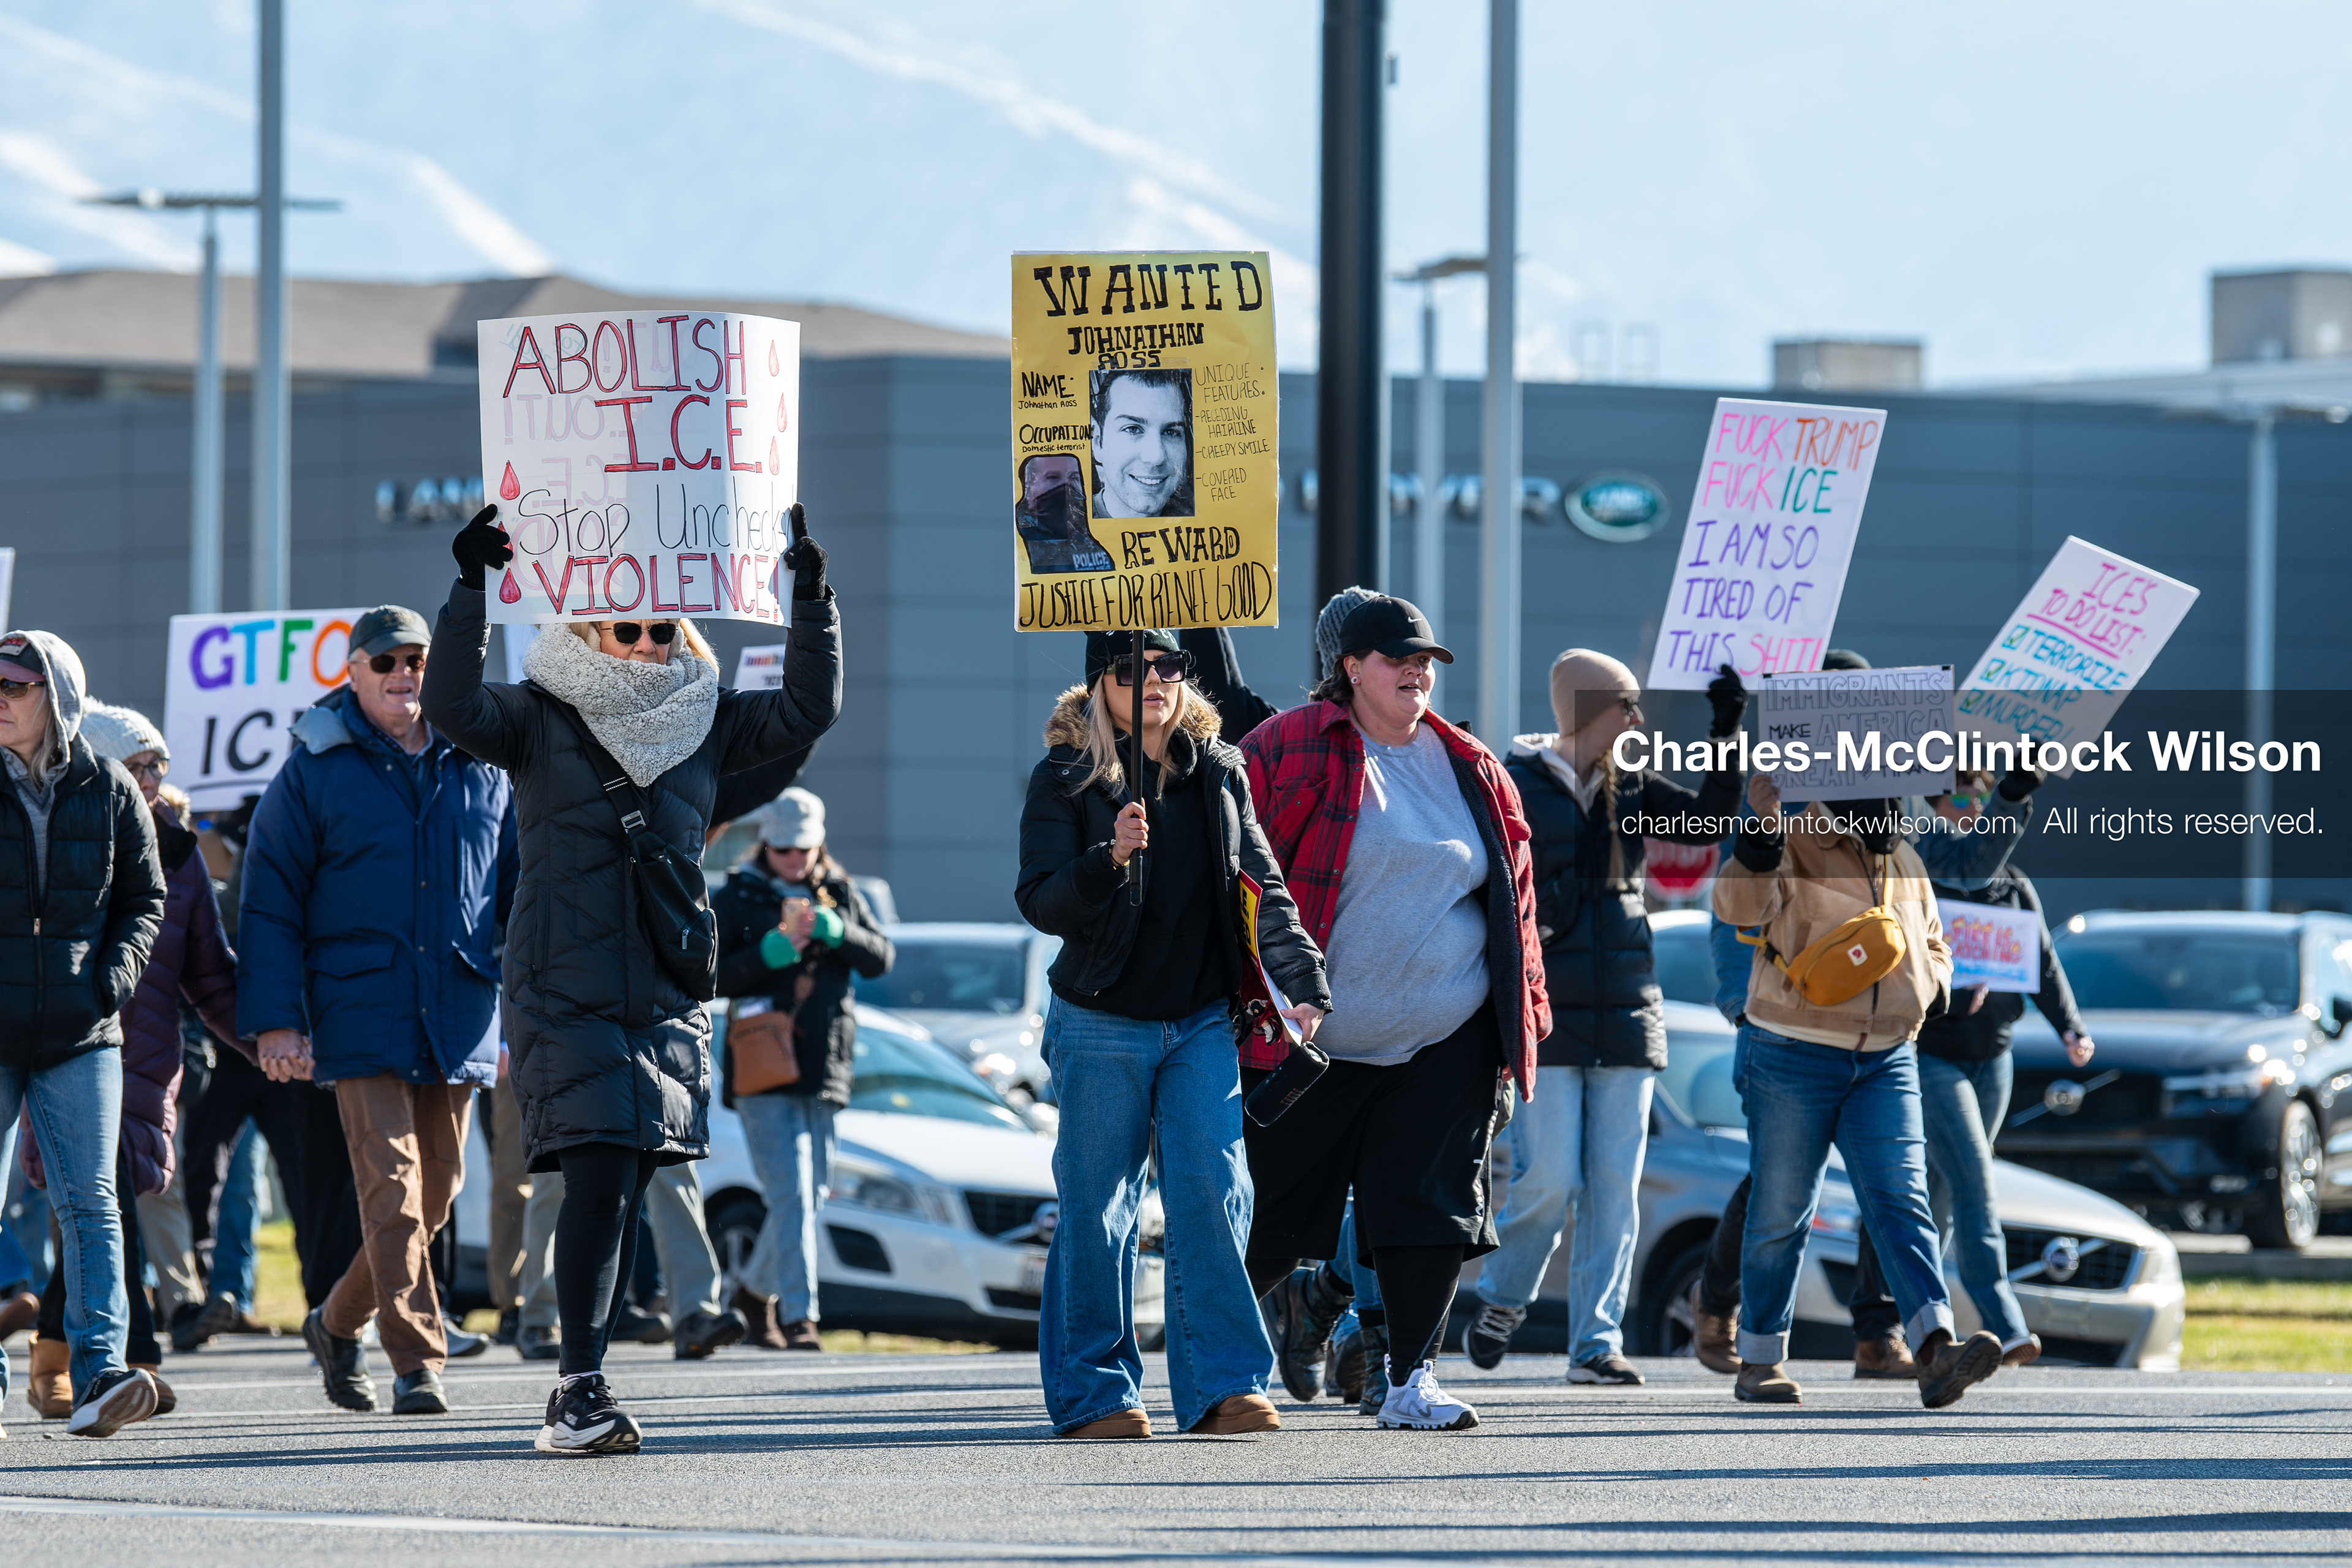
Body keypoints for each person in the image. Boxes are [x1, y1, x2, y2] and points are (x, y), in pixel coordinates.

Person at [421, 500, 840, 1455]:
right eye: (629, 628)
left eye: (663, 628)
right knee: (602, 1177)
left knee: (634, 1174)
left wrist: (810, 598)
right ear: (585, 631)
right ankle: (578, 1389)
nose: (650, 644)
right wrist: (469, 586)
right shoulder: (536, 716)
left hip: (664, 988)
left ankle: (586, 1378)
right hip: (563, 984)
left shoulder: (707, 724)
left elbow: (811, 710)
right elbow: (451, 704)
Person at [1237, 595, 1550, 1433]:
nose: (1417, 671)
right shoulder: (1289, 745)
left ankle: (1411, 1381)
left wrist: (1525, 1020)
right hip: (1313, 1041)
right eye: (1396, 658)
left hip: (1444, 1037)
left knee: (1428, 1214)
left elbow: (1513, 899)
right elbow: (1237, 870)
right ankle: (1218, 1366)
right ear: (1350, 668)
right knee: (1268, 1216)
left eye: (1426, 660)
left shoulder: (1469, 762)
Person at [1016, 628, 1329, 1439]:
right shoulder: (1064, 778)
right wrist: (1107, 858)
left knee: (1217, 1195)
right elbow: (1043, 902)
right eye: (1130, 667)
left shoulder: (1222, 772)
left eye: (1167, 665)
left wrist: (1303, 980)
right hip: (1099, 1021)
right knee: (1100, 1210)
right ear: (1099, 685)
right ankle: (1097, 1395)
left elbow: (1264, 884)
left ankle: (1225, 1386)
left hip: (1199, 1024)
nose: (1152, 679)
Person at [238, 604, 518, 1418]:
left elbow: (515, 894)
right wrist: (278, 1021)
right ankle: (417, 1362)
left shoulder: (483, 761)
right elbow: (269, 905)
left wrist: (518, 1014)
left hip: (459, 1008)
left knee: (438, 1191)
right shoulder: (313, 769)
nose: (405, 675)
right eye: (386, 661)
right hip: (358, 1010)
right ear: (353, 673)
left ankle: (333, 1321)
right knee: (393, 1192)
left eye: (418, 660)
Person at [1464, 652, 1744, 1383]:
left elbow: (1712, 817)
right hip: (1548, 1013)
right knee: (1549, 1179)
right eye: (1626, 705)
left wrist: (1728, 727)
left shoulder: (1634, 788)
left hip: (1628, 1008)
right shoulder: (1514, 783)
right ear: (1588, 710)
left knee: (1615, 1189)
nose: (1638, 720)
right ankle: (1502, 1297)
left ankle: (1595, 1343)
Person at [1714, 769, 2005, 1409]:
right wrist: (1761, 830)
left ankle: (1934, 1351)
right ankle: (1759, 1358)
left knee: (1904, 1200)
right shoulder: (1791, 832)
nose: (1891, 801)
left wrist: (1932, 986)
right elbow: (1736, 910)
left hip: (1888, 1056)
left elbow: (1934, 939)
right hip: (1792, 1049)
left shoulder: (1902, 853)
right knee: (1782, 1211)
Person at [20, 703, 239, 1418]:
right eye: (139, 765)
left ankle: (88, 1361)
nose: (153, 779)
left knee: (99, 1207)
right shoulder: (61, 828)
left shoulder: (178, 853)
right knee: (92, 1203)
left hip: (143, 1063)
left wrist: (272, 1042)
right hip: (59, 1044)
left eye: (159, 768)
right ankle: (114, 1357)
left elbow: (210, 974)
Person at [0, 630, 168, 1438]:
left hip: (82, 1030)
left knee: (92, 1205)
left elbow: (146, 899)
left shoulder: (108, 788)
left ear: (57, 697)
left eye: (16, 685)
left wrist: (110, 983)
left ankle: (101, 1374)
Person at [1916, 772, 2094, 1368]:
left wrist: (2070, 1026)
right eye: (1961, 793)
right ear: (1934, 803)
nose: (1974, 803)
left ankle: (1902, 1316)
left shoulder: (2014, 885)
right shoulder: (1925, 871)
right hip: (1932, 1054)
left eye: (1983, 792)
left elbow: (2041, 960)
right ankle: (2005, 1323)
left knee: (1944, 1191)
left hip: (1994, 1054)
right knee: (1973, 1181)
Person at [715, 787, 893, 1349]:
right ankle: (800, 1315)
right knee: (790, 1191)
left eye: (804, 851)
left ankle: (750, 1292)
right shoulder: (737, 894)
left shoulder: (840, 890)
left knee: (812, 1194)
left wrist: (835, 931)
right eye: (783, 850)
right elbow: (711, 973)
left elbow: (881, 956)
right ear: (764, 845)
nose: (794, 861)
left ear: (820, 846)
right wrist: (774, 950)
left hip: (823, 1062)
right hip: (762, 1061)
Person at [1089, 369, 1192, 518]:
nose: (1156, 457)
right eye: (1132, 429)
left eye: (1171, 432)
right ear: (1098, 443)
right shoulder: (1069, 526)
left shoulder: (1206, 520)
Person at [1016, 453, 1115, 574]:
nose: (1067, 487)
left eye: (1073, 478)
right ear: (1029, 483)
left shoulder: (1090, 536)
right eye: (1053, 477)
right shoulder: (1019, 536)